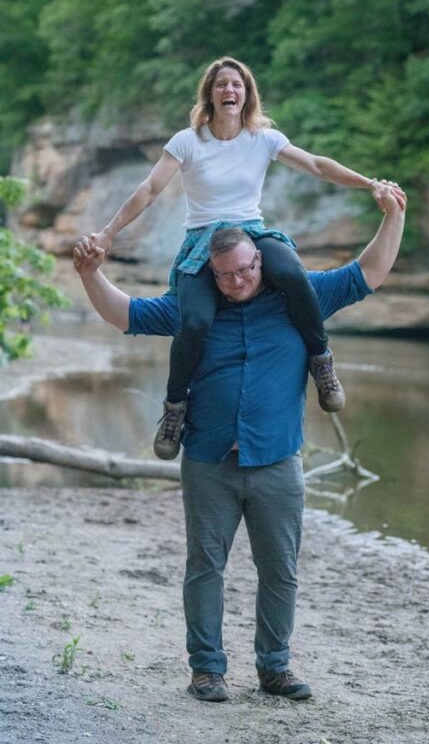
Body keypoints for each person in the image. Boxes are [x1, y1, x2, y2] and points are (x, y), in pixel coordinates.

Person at [73, 183, 405, 703]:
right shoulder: (192, 308)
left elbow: (368, 274)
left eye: (246, 269)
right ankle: (207, 670)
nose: (238, 280)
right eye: (225, 274)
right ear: (211, 272)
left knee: (280, 570)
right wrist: (91, 273)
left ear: (261, 259)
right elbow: (126, 314)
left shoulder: (301, 297)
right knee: (205, 567)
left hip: (277, 461)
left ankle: (274, 668)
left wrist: (394, 216)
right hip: (209, 460)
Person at [81, 56, 406, 462]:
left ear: (247, 94)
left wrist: (370, 183)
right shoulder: (187, 141)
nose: (229, 91)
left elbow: (319, 167)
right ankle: (174, 409)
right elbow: (149, 189)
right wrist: (108, 234)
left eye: (237, 85)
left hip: (252, 235)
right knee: (194, 319)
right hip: (204, 243)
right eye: (221, 85)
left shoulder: (264, 138)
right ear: (210, 94)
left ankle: (322, 363)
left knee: (292, 273)